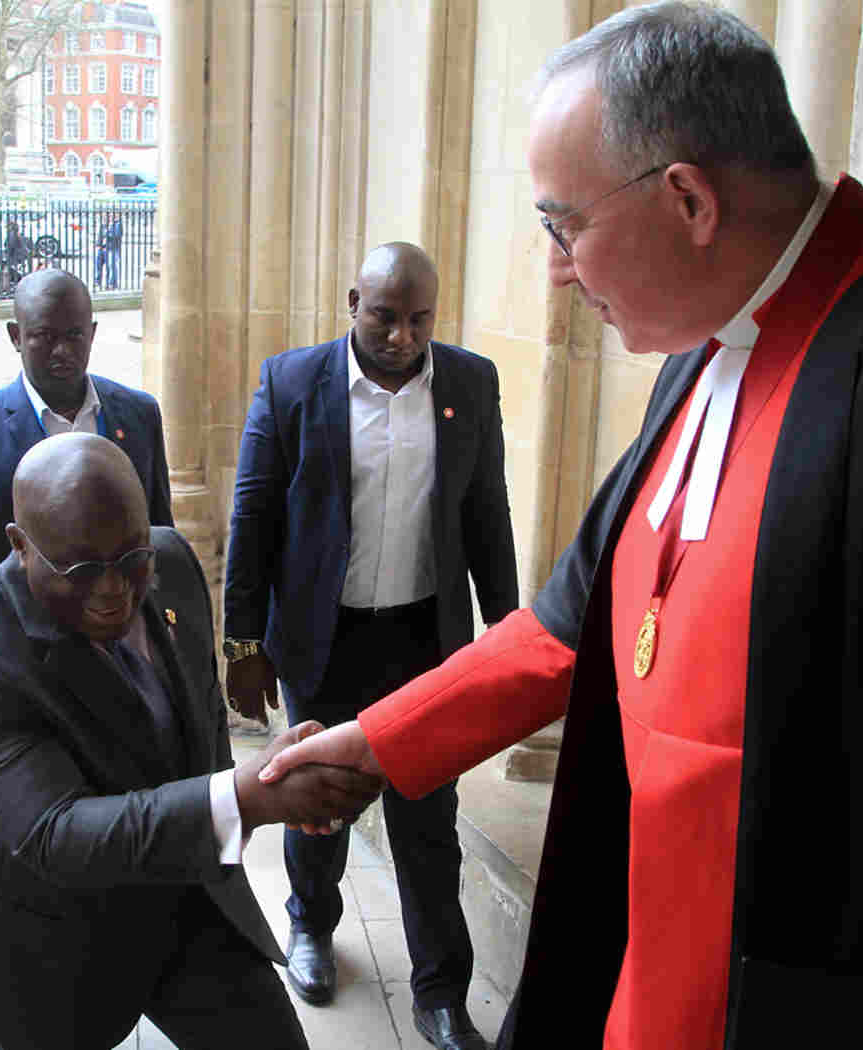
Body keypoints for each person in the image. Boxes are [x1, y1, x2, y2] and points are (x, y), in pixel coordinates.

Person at [260, 4, 863, 1049]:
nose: (552, 267)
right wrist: (372, 747)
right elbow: (568, 623)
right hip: (638, 971)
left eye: (563, 225)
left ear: (685, 198)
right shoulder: (699, 346)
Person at [0, 432, 381, 1050]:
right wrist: (250, 797)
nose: (114, 589)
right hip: (47, 935)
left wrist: (277, 773)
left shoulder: (173, 564)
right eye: (80, 568)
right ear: (21, 546)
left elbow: (198, 732)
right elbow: (55, 833)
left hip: (185, 902)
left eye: (131, 558)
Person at [223, 241, 518, 1050]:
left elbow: (486, 510)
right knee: (315, 802)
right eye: (385, 316)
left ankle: (440, 993)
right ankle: (312, 927)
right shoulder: (292, 382)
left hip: (425, 640)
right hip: (325, 635)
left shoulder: (469, 382)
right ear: (352, 299)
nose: (402, 337)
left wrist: (506, 633)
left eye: (420, 319)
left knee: (431, 820)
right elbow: (253, 516)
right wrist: (242, 642)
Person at [0, 269, 173, 622]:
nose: (62, 351)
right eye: (44, 336)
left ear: (92, 333)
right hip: (25, 659)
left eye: (74, 335)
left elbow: (160, 541)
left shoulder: (139, 416)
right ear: (16, 336)